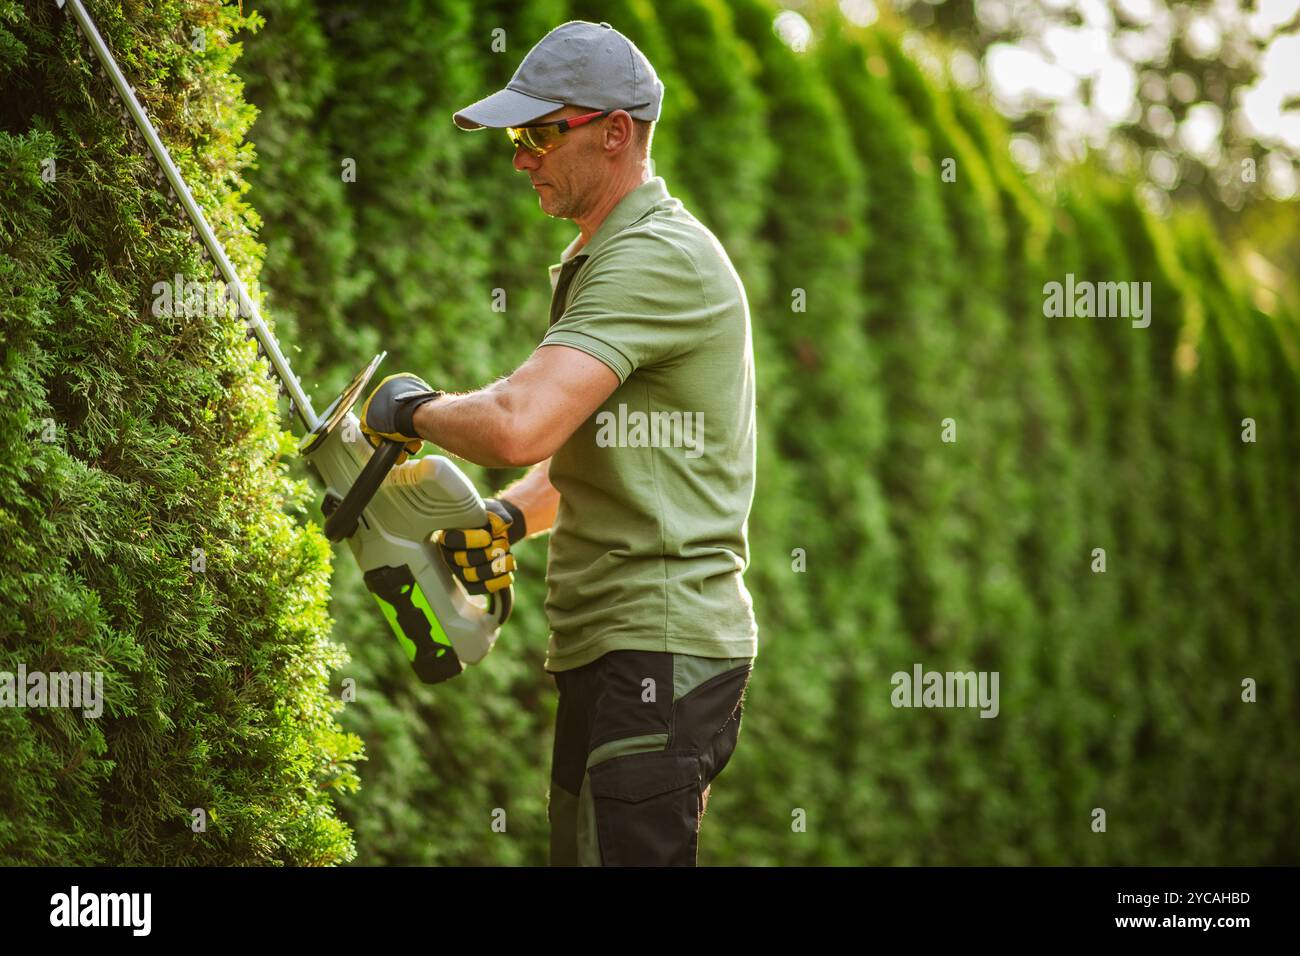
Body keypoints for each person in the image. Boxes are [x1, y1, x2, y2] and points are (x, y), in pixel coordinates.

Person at [359, 20, 758, 866]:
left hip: (658, 645)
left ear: (616, 132)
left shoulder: (654, 257)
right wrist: (505, 520)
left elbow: (518, 423)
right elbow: (603, 454)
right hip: (617, 647)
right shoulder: (615, 254)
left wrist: (411, 409)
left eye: (540, 133)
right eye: (516, 136)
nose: (520, 158)